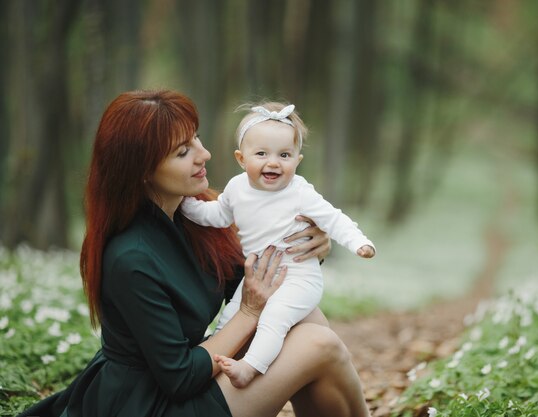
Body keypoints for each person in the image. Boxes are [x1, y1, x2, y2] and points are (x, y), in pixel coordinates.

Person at [17, 90, 371, 417]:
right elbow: (179, 376)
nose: (204, 154)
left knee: (307, 318)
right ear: (142, 172)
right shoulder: (131, 258)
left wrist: (313, 244)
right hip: (152, 403)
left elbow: (247, 272)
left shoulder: (195, 217)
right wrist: (248, 312)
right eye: (182, 151)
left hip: (188, 378)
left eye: (196, 139)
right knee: (317, 343)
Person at [181, 102, 375, 388]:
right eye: (261, 154)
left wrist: (359, 242)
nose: (273, 162)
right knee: (231, 316)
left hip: (298, 278)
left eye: (284, 155)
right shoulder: (236, 188)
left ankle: (251, 367)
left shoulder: (300, 192)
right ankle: (217, 366)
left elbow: (334, 219)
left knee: (275, 317)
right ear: (241, 158)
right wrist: (186, 207)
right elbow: (217, 215)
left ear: (297, 160)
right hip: (258, 277)